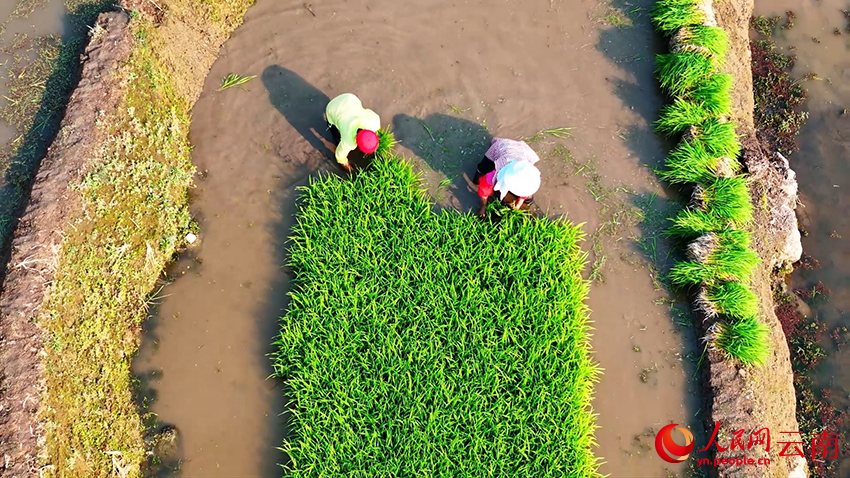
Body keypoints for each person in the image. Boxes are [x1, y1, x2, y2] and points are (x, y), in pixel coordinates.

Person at [473, 137, 542, 217]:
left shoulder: (528, 177)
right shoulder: (492, 176)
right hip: (501, 148)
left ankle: (527, 202)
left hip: (521, 152)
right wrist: (483, 206)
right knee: (481, 173)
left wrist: (518, 206)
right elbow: (484, 192)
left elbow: (525, 193)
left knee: (528, 199)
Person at [325, 93, 381, 171]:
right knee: (335, 135)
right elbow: (340, 157)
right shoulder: (348, 142)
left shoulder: (374, 122)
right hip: (332, 108)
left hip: (349, 98)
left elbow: (367, 111)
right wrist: (350, 170)